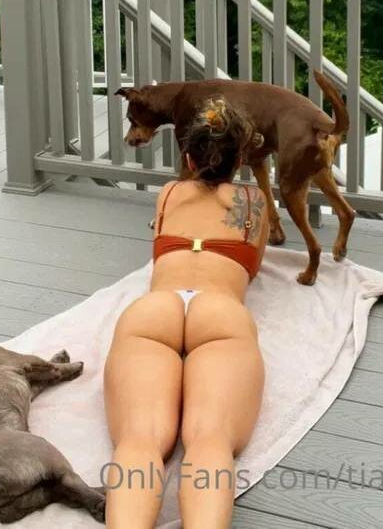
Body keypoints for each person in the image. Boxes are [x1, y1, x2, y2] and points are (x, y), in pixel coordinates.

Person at [103, 98, 269, 528]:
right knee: (210, 438)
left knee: (140, 437)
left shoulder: (170, 193)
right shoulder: (251, 201)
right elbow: (253, 260)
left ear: (189, 159)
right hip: (219, 311)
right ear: (240, 160)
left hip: (155, 310)